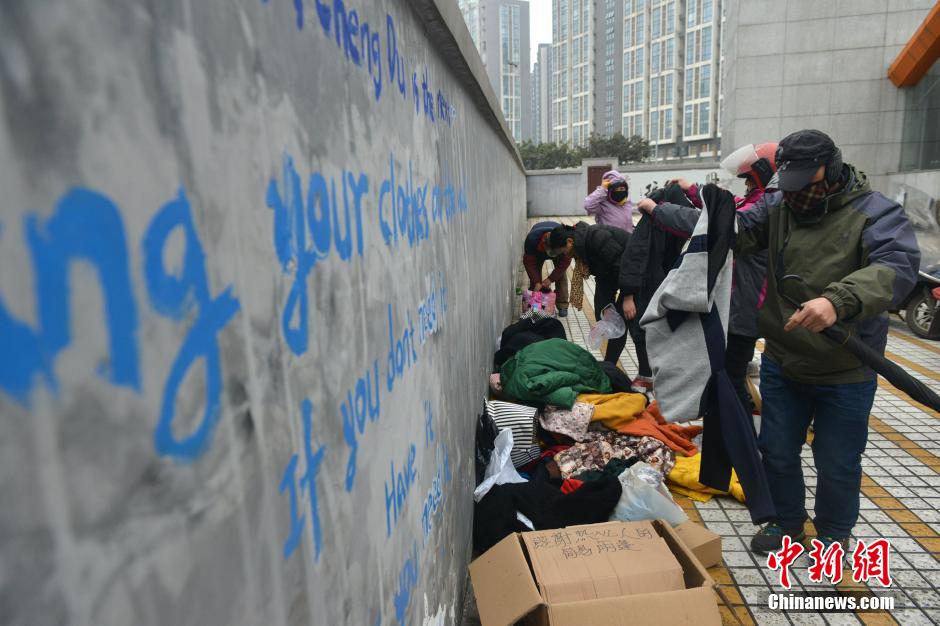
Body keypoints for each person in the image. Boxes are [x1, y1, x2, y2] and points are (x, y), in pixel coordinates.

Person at [640, 130, 920, 554]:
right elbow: (728, 231)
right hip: (784, 362)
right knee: (777, 451)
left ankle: (833, 536)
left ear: (830, 168)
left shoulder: (875, 214)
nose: (794, 195)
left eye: (804, 182)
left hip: (846, 368)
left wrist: (837, 300)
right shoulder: (779, 205)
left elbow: (896, 268)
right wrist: (679, 210)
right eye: (788, 184)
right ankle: (787, 525)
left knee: (837, 463)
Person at [640, 142, 778, 414]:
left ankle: (739, 442)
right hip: (733, 307)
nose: (746, 185)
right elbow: (724, 207)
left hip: (743, 313)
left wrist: (657, 210)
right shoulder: (757, 201)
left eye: (749, 179)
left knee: (731, 381)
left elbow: (717, 225)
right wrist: (692, 190)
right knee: (724, 377)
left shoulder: (766, 206)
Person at [547, 222, 637, 367]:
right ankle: (609, 366)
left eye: (563, 251)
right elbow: (604, 274)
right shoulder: (581, 245)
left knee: (622, 322)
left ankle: (621, 367)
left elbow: (621, 266)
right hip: (610, 275)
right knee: (606, 315)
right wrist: (604, 312)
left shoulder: (597, 237)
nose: (565, 255)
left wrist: (628, 297)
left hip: (634, 275)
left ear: (569, 242)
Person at [523, 221, 572, 317]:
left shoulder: (562, 241)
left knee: (561, 275)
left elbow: (564, 263)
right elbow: (529, 262)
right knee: (535, 281)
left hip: (558, 248)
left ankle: (562, 305)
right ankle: (536, 304)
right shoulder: (531, 240)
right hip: (538, 250)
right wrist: (537, 281)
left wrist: (551, 279)